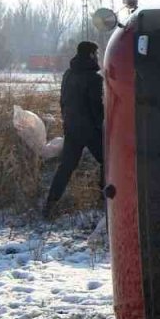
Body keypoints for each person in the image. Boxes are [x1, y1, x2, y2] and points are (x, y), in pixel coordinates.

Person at [42, 41, 104, 218]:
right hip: (90, 130)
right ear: (91, 54)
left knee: (66, 167)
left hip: (71, 127)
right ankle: (104, 202)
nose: (97, 56)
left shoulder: (68, 74)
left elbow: (63, 101)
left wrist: (67, 122)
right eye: (96, 53)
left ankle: (49, 205)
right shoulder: (94, 78)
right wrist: (101, 126)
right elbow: (96, 107)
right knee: (108, 162)